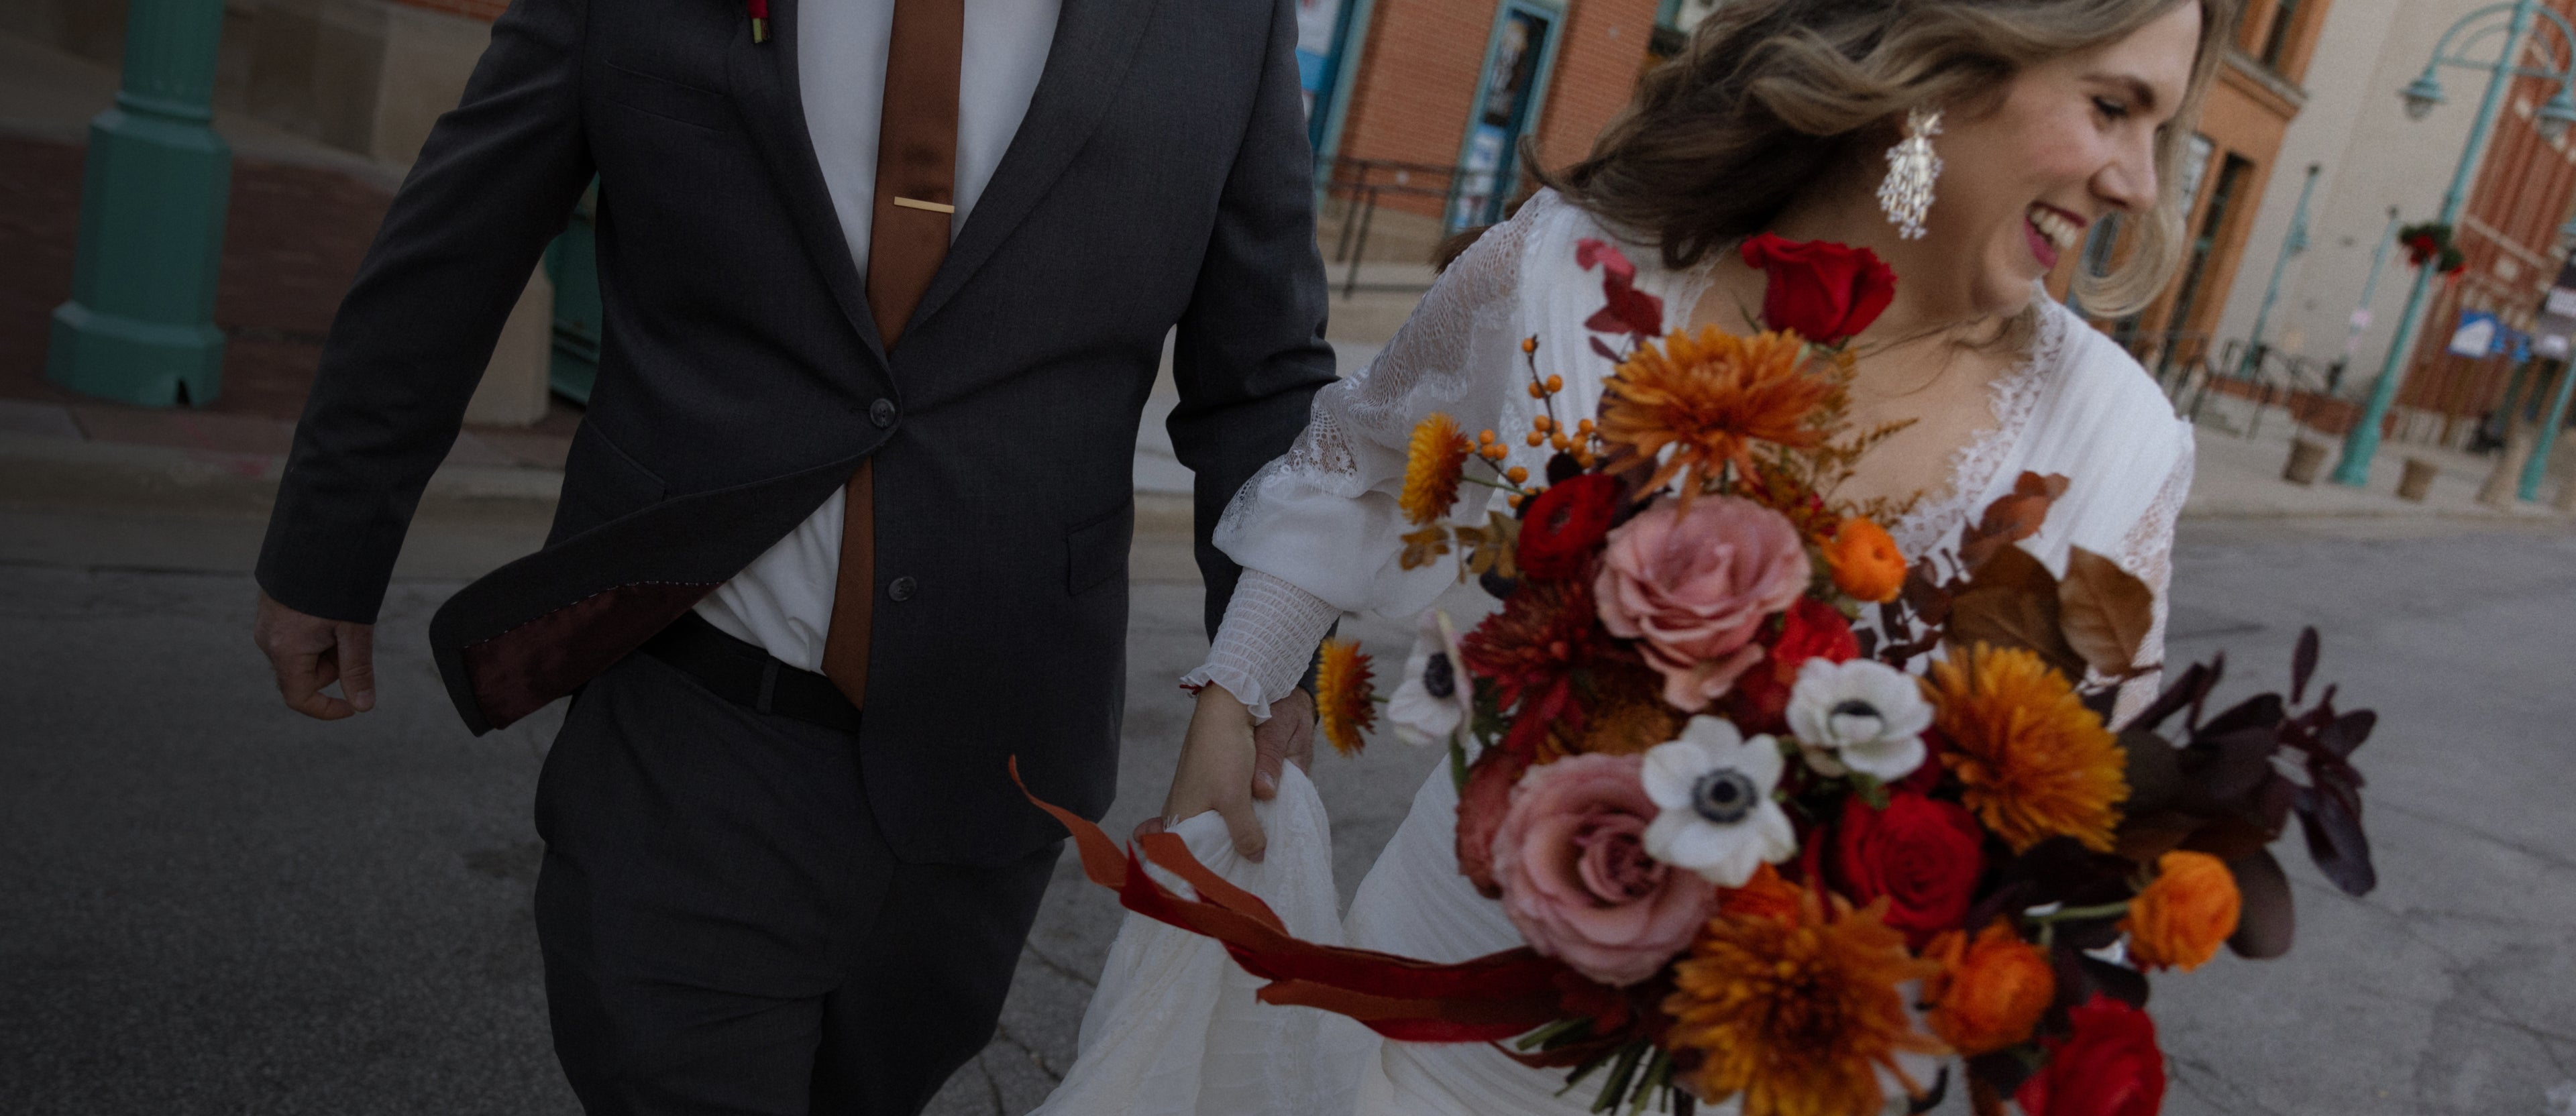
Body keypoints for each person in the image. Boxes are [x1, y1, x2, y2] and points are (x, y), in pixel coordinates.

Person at [1037, 0, 2233, 1112]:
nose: (2137, 181)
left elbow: (2078, 838)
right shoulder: (1575, 270)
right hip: (1427, 1036)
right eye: (2112, 106)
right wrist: (1240, 688)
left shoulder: (2114, 443)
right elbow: (1361, 461)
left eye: (2161, 130)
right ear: (1943, 55)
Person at [246, 0, 1334, 1111]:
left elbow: (1261, 376)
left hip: (994, 762)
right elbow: (460, 237)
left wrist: (1268, 657)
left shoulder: (1225, 20)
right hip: (689, 724)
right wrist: (330, 542)